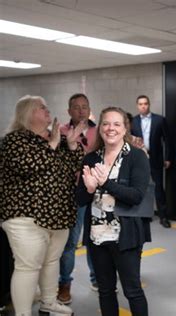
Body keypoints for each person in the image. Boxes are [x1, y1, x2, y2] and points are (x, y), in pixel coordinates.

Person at [0, 95, 84, 316]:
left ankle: (48, 303)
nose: (48, 111)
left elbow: (74, 165)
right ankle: (23, 313)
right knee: (28, 267)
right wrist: (54, 144)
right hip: (25, 217)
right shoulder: (15, 140)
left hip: (58, 215)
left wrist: (73, 144)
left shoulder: (55, 138)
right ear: (27, 114)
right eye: (42, 108)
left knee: (51, 261)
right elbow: (30, 165)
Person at [76, 106, 151, 316]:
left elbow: (136, 196)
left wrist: (105, 183)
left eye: (117, 124)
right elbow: (80, 199)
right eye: (106, 123)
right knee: (106, 290)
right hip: (97, 237)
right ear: (100, 128)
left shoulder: (136, 157)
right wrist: (90, 189)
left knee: (132, 290)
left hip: (126, 237)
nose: (111, 128)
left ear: (124, 128)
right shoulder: (91, 158)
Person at [57, 93, 97, 303]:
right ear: (69, 110)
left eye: (85, 107)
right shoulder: (61, 132)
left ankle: (96, 277)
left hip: (98, 192)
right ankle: (64, 283)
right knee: (71, 241)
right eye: (76, 107)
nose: (81, 111)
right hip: (74, 192)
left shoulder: (98, 130)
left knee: (95, 238)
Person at [131, 95, 172, 228]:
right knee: (142, 188)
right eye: (140, 104)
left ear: (149, 105)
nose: (143, 106)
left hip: (156, 159)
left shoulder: (159, 120)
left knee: (158, 188)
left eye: (145, 104)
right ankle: (145, 215)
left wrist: (167, 158)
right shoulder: (133, 121)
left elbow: (168, 140)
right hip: (139, 159)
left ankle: (163, 216)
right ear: (137, 106)